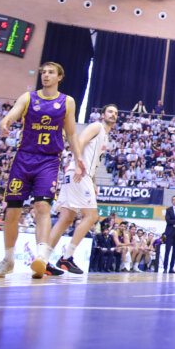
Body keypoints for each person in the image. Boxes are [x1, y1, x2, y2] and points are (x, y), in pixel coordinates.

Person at [0, 62, 84, 278]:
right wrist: (5, 122)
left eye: (51, 72)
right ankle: (8, 260)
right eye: (43, 72)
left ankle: (41, 257)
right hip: (23, 158)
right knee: (12, 211)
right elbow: (13, 114)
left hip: (49, 160)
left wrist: (78, 158)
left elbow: (70, 133)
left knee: (42, 206)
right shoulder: (28, 97)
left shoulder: (67, 101)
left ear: (60, 77)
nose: (45, 75)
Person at [43, 103, 118, 277]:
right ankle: (67, 257)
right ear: (102, 114)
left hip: (82, 175)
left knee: (66, 218)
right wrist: (77, 164)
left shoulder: (106, 136)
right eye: (109, 111)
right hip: (78, 172)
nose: (113, 114)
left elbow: (93, 161)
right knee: (92, 216)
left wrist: (93, 181)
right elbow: (79, 141)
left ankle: (43, 259)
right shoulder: (97, 126)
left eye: (115, 112)